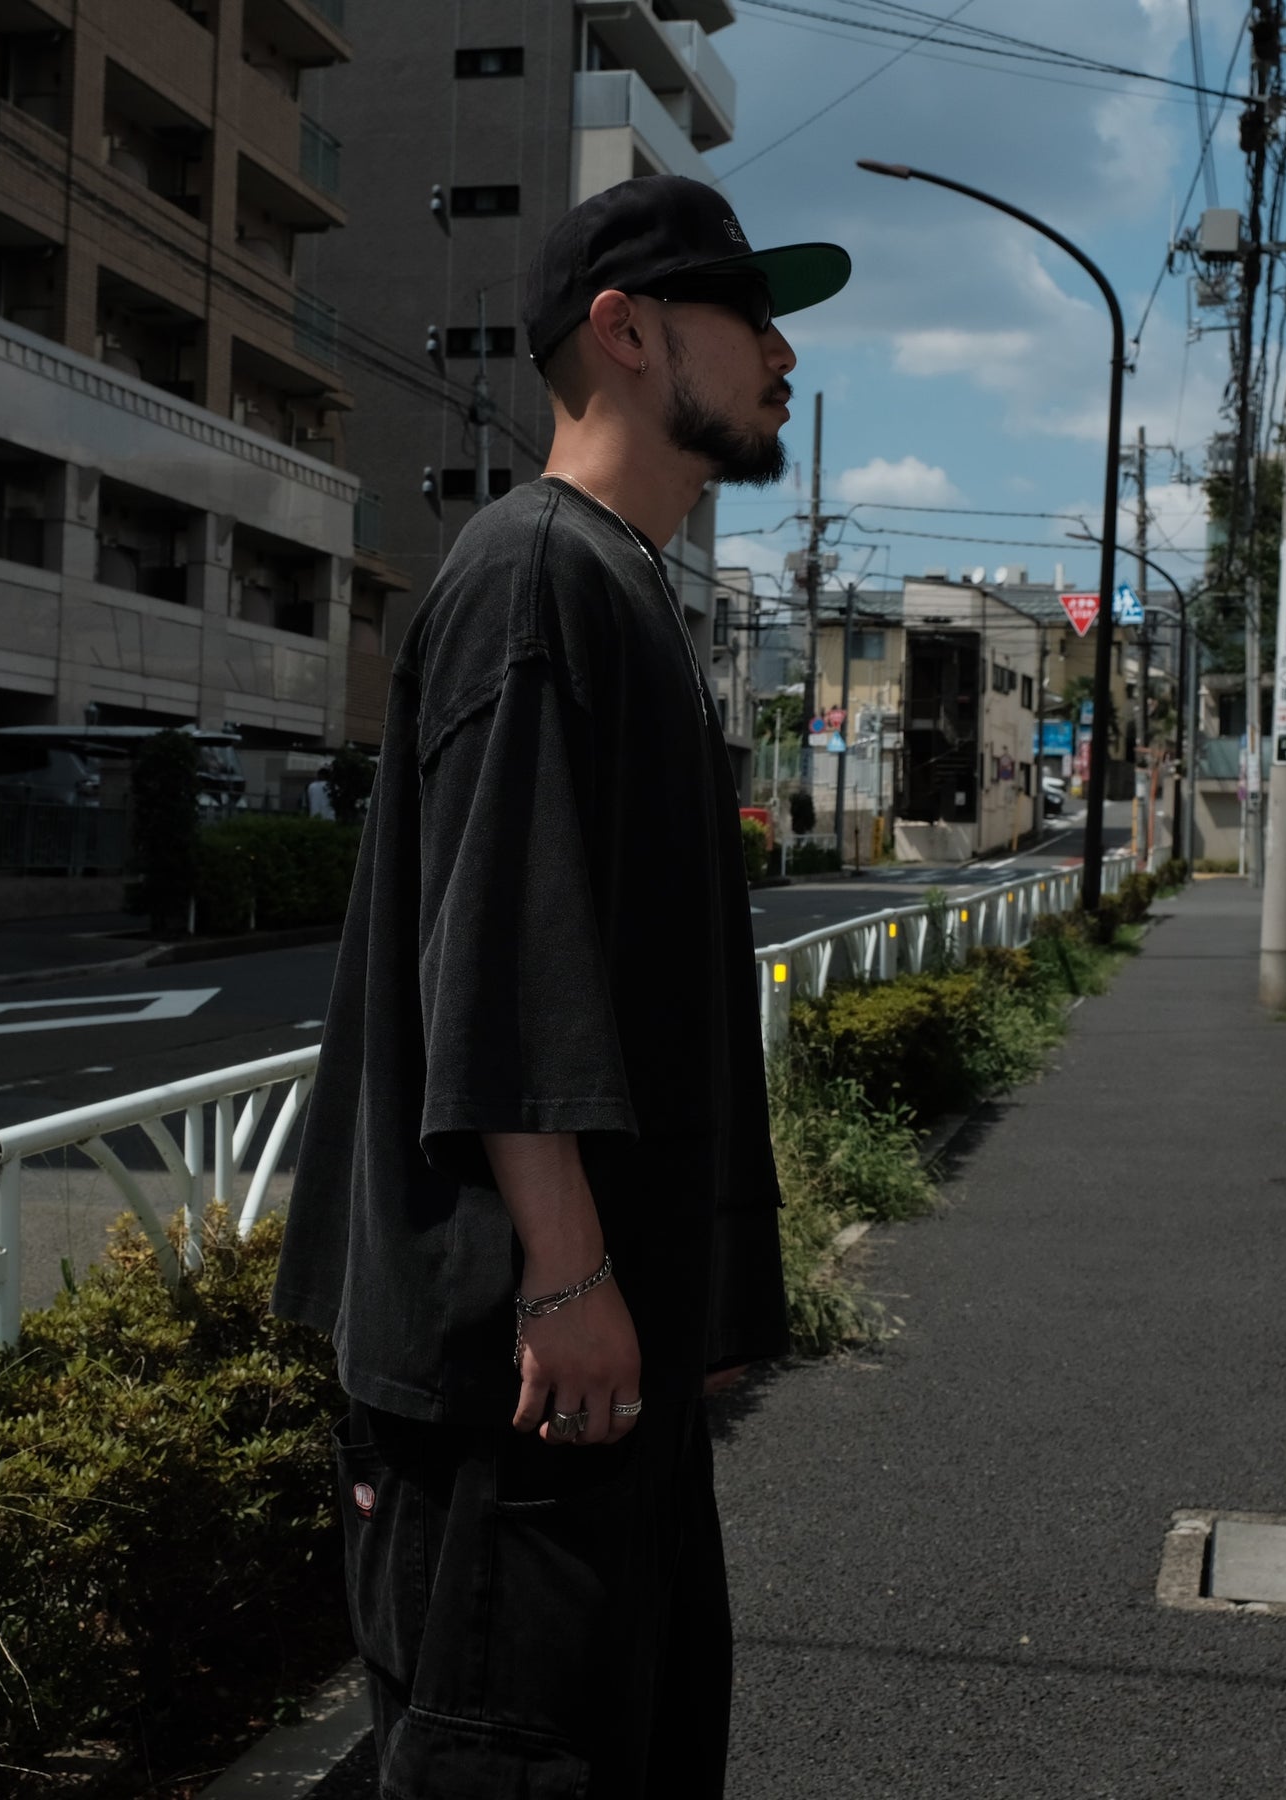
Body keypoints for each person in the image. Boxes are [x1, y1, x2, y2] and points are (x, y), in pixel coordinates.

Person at [271, 175, 852, 1797]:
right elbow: (508, 962)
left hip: (592, 1382)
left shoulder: (612, 582)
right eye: (750, 313)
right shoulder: (536, 576)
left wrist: (705, 1305)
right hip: (514, 1389)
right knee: (511, 1764)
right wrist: (566, 1272)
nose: (785, 354)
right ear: (628, 329)